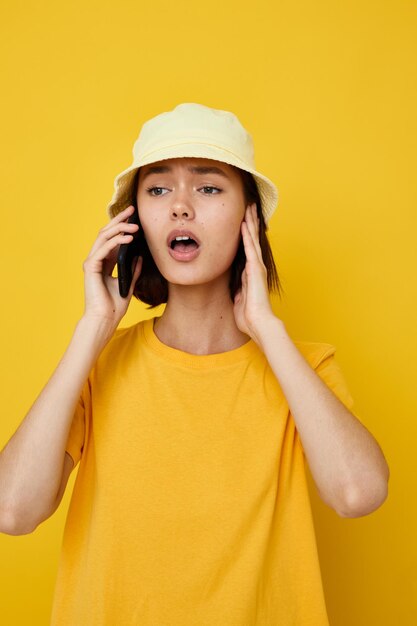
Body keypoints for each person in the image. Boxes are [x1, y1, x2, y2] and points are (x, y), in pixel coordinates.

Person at [0, 103, 389, 625]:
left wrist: (267, 329)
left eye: (208, 187)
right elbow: (12, 511)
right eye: (158, 190)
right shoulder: (97, 368)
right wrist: (91, 331)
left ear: (250, 217)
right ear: (134, 221)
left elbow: (358, 493)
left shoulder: (303, 370)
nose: (180, 207)